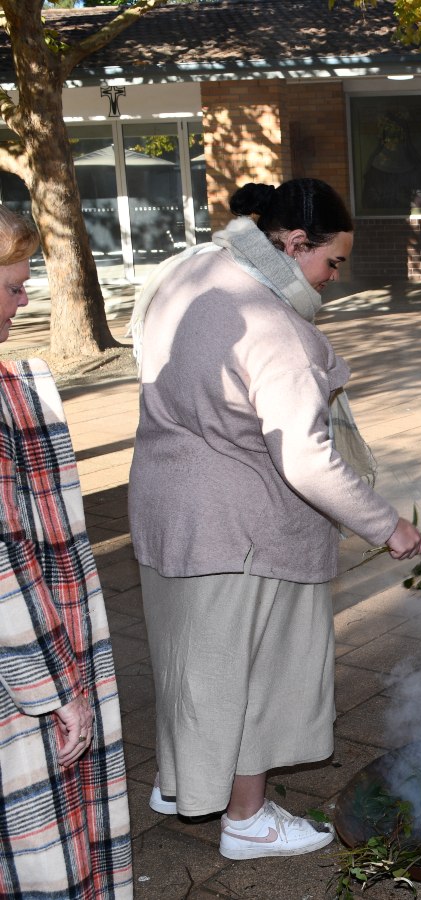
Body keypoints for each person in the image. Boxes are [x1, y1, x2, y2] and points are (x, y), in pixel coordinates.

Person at [128, 178, 421, 859]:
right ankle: (247, 818)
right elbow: (308, 462)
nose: (333, 278)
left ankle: (183, 783)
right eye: (331, 262)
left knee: (192, 662)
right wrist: (389, 525)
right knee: (257, 673)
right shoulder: (275, 330)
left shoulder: (201, 266)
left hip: (167, 503)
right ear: (294, 244)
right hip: (240, 527)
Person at [0, 204, 132, 897]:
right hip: (13, 681)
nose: (25, 301)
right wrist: (56, 694)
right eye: (13, 288)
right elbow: (4, 563)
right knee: (39, 853)